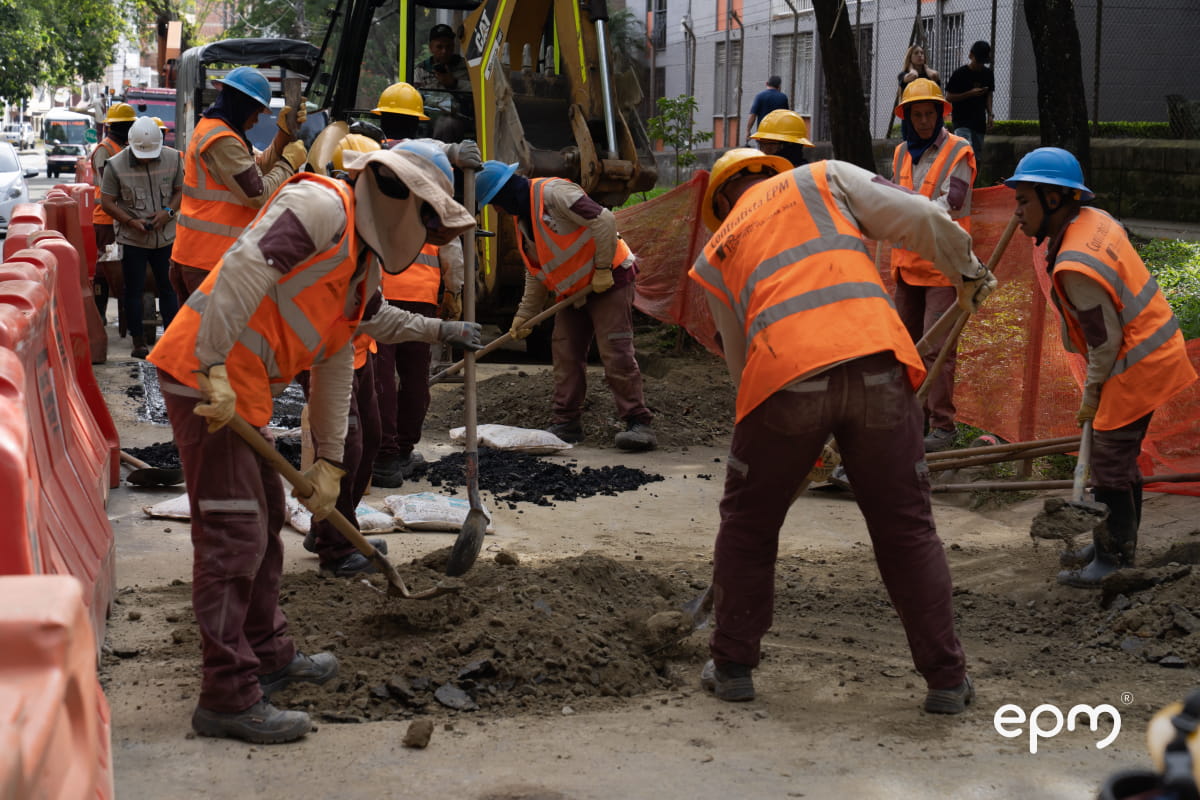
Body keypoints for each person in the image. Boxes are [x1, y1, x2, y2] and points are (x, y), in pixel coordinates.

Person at [147, 146, 476, 744]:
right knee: (232, 532)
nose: (427, 232)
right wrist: (215, 364)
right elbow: (247, 264)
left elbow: (333, 364)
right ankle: (226, 695)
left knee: (266, 518)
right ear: (394, 190)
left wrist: (327, 462)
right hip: (206, 379)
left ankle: (269, 656)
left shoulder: (358, 266)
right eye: (427, 217)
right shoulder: (320, 205)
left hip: (242, 390)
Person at [689, 148, 997, 712]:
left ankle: (733, 664)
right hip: (879, 365)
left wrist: (784, 438)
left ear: (721, 201)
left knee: (748, 528)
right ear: (769, 170)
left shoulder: (715, 251)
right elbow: (927, 217)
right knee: (907, 530)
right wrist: (968, 272)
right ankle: (947, 681)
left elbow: (742, 365)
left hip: (782, 382)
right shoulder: (820, 178)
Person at [1004, 148, 1197, 587]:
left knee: (1109, 463)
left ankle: (1113, 559)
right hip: (1153, 349)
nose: (1017, 213)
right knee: (1120, 460)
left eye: (1023, 201)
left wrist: (1092, 393)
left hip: (1137, 364)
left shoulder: (1075, 266)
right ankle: (1112, 540)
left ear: (1053, 200)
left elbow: (1104, 344)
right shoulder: (1094, 219)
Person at [301, 136, 483, 575]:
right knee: (343, 446)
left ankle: (332, 529)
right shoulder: (322, 214)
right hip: (302, 356)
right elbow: (249, 284)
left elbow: (372, 316)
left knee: (363, 445)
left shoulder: (366, 250)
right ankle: (336, 545)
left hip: (346, 351)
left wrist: (442, 328)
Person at [476, 160, 656, 451]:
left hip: (610, 278)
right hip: (574, 290)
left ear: (505, 192)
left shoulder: (553, 193)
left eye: (494, 203)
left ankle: (638, 422)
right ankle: (567, 422)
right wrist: (525, 315)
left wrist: (601, 270)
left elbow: (604, 220)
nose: (496, 210)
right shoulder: (523, 221)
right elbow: (536, 271)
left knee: (614, 350)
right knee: (565, 352)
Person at [889, 79, 977, 452]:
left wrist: (907, 215)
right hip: (907, 265)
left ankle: (943, 427)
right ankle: (914, 421)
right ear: (906, 116)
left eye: (930, 113)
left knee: (936, 348)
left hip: (942, 265)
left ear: (941, 114)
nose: (924, 121)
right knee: (906, 348)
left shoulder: (959, 150)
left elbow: (953, 203)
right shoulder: (900, 153)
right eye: (917, 114)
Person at [171, 66, 308, 304]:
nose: (256, 120)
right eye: (256, 111)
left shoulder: (222, 131)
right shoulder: (221, 140)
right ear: (243, 105)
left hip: (202, 258)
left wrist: (283, 136)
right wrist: (288, 163)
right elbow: (257, 193)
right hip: (208, 262)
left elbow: (256, 169)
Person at [371, 144, 465, 487]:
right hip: (421, 299)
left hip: (378, 295)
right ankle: (401, 451)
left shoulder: (381, 183)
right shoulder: (433, 192)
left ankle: (384, 457)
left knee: (379, 379)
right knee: (414, 380)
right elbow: (451, 248)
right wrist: (454, 291)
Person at [99, 117, 183, 358]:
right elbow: (107, 202)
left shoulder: (173, 158)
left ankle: (172, 340)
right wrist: (130, 222)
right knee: (132, 290)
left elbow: (180, 191)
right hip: (132, 238)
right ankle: (138, 342)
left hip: (165, 237)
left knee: (168, 289)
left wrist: (167, 213)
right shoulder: (115, 165)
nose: (146, 158)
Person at [91, 102, 135, 321]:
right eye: (128, 125)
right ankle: (99, 314)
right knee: (105, 268)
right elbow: (108, 183)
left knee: (123, 267)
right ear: (119, 127)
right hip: (106, 219)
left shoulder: (123, 148)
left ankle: (125, 313)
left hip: (122, 216)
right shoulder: (104, 150)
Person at [945, 41, 995, 157]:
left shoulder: (988, 74)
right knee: (965, 151)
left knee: (977, 155)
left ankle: (974, 175)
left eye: (983, 62)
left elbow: (989, 95)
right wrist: (969, 94)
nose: (980, 65)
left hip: (979, 120)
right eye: (978, 61)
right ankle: (963, 174)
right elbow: (949, 97)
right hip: (962, 120)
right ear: (971, 56)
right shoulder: (960, 74)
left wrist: (990, 114)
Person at [414, 24, 471, 92]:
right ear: (431, 48)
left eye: (448, 46)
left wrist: (454, 83)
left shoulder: (467, 67)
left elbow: (478, 91)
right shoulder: (421, 71)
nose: (444, 51)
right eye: (439, 47)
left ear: (453, 47)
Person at [748, 109, 814, 168]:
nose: (764, 152)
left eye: (770, 147)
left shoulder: (804, 176)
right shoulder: (764, 172)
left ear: (790, 148)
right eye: (762, 145)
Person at [745, 76, 789, 144]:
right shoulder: (783, 97)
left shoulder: (760, 96)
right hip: (777, 135)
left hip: (763, 135)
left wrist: (748, 130)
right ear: (779, 86)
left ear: (766, 83)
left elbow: (753, 115)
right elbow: (786, 116)